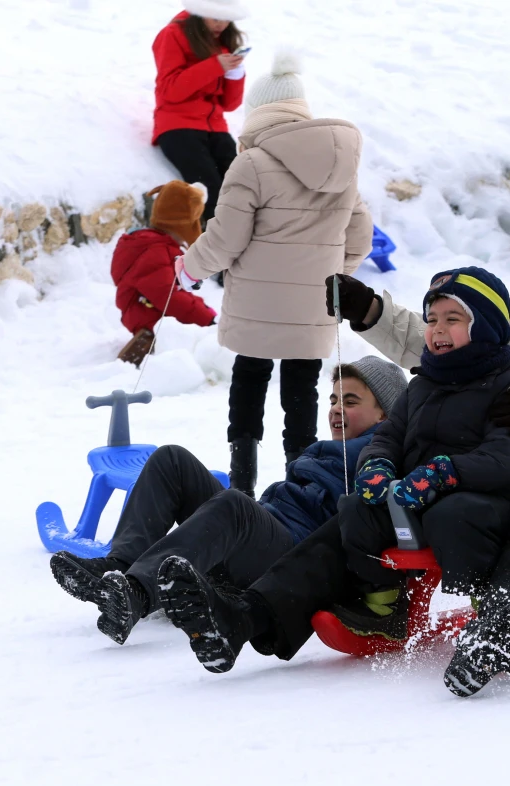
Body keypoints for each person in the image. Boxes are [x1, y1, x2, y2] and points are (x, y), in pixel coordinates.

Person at [157, 169, 510, 697]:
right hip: (505, 457)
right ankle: (246, 615)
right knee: (367, 507)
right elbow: (464, 337)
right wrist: (372, 312)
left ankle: (508, 632)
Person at [49, 356, 407, 645]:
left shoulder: (378, 457)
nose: (335, 409)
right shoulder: (331, 448)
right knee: (172, 460)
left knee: (234, 503)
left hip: (288, 557)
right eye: (333, 399)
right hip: (262, 533)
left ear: (385, 415)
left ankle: (136, 594)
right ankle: (120, 565)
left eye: (351, 401)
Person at [179, 51, 373, 496]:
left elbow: (225, 240)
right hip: (314, 305)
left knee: (249, 379)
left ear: (259, 111)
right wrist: (329, 275)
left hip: (255, 304)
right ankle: (299, 489)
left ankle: (241, 488)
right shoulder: (342, 167)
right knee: (302, 391)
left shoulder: (250, 163)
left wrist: (188, 267)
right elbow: (360, 237)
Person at [331, 268, 510, 642]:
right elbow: (390, 436)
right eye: (431, 320)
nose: (437, 329)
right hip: (415, 495)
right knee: (355, 508)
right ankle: (384, 604)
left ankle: (488, 605)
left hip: (489, 498)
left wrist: (446, 472)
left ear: (487, 326)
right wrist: (376, 464)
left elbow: (507, 457)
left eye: (452, 319)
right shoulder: (423, 382)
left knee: (454, 516)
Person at [151, 2, 249, 223]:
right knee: (211, 190)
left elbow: (229, 104)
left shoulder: (222, 41)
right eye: (215, 17)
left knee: (242, 186)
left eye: (226, 19)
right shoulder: (173, 34)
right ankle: (219, 249)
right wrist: (214, 66)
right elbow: (170, 90)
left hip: (215, 127)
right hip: (178, 126)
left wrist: (236, 75)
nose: (221, 24)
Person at [112, 181, 217, 366]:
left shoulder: (153, 244)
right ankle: (149, 343)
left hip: (143, 308)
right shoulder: (155, 251)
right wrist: (207, 319)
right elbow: (168, 297)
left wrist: (203, 309)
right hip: (146, 314)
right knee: (196, 338)